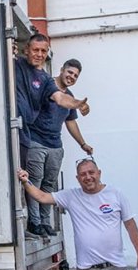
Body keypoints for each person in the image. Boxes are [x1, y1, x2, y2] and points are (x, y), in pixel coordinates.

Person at [25, 59, 94, 237]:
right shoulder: (47, 84)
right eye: (69, 72)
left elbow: (70, 123)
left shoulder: (70, 95)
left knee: (49, 183)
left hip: (55, 145)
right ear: (62, 70)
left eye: (75, 76)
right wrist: (78, 103)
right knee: (36, 179)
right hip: (36, 141)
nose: (71, 77)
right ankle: (34, 222)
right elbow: (57, 99)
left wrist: (83, 144)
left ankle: (45, 222)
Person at [13, 34, 90, 169]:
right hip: (31, 139)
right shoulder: (16, 62)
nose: (39, 54)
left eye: (43, 51)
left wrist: (77, 104)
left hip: (37, 140)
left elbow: (60, 99)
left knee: (46, 186)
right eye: (35, 50)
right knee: (32, 183)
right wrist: (9, 48)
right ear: (26, 50)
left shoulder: (46, 80)